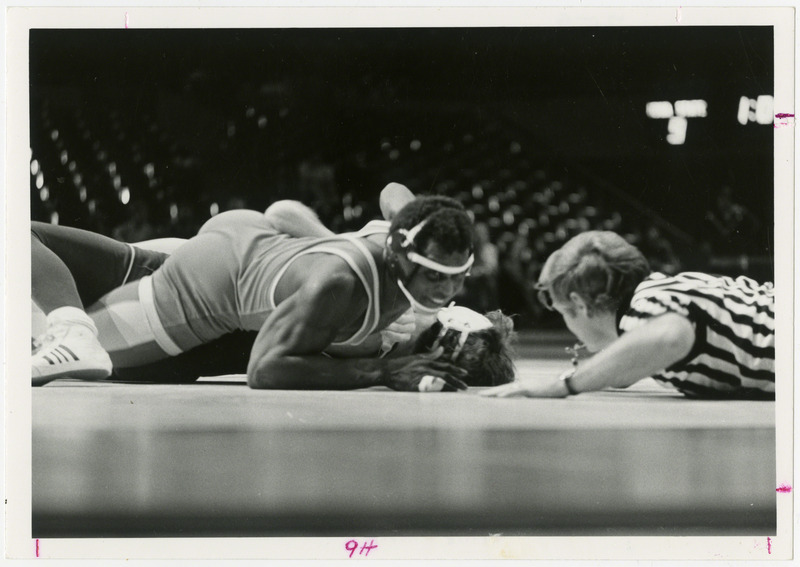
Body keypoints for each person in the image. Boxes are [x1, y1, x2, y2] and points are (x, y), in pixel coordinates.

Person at [32, 189, 515, 390]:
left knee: (28, 321)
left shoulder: (355, 312)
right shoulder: (408, 243)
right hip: (172, 264)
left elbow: (263, 367)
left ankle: (71, 330)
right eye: (443, 283)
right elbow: (393, 193)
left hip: (177, 306)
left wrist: (384, 369)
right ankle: (70, 328)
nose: (445, 296)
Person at [481, 230, 774, 400]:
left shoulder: (647, 305)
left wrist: (563, 384)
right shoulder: (657, 294)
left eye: (564, 315)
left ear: (579, 304)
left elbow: (671, 336)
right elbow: (626, 371)